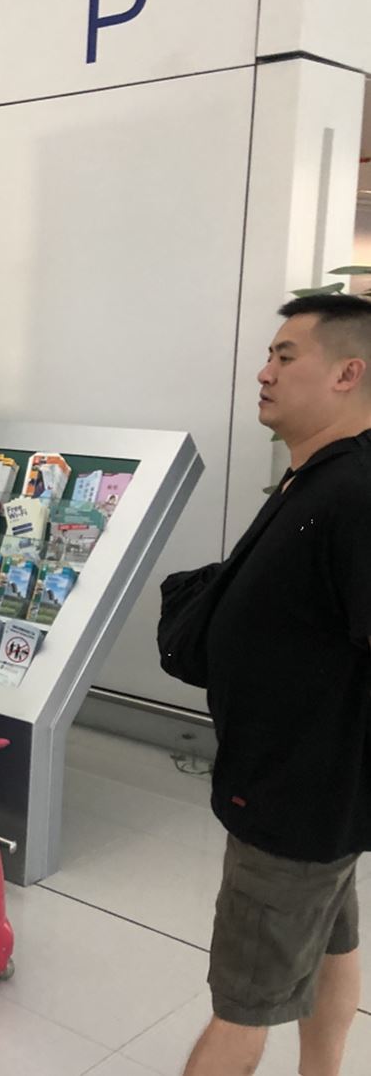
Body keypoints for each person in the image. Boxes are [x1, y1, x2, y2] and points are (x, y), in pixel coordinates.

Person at [182, 293, 371, 1076]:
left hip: (296, 803)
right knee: (331, 938)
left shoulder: (355, 495)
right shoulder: (317, 479)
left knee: (245, 1002)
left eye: (286, 357)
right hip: (315, 796)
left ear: (347, 373)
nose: (264, 372)